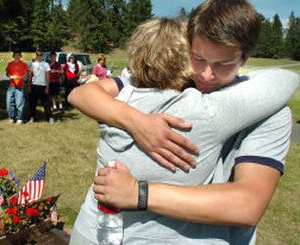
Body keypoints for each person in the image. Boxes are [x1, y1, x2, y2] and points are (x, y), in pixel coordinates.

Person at [68, 1, 299, 244]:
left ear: (245, 58)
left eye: (223, 64)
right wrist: (137, 121)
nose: (206, 74)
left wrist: (139, 192)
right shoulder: (163, 81)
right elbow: (81, 94)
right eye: (198, 58)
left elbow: (247, 204)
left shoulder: (269, 111)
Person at [27, 49, 54, 123]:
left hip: (43, 86)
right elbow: (30, 76)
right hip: (34, 86)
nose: (39, 56)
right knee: (32, 103)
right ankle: (33, 117)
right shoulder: (32, 64)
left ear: (43, 56)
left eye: (40, 55)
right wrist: (29, 86)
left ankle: (50, 117)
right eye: (38, 55)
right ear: (35, 55)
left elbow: (47, 77)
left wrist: (47, 87)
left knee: (46, 103)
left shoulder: (46, 64)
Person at [5, 50, 28, 125]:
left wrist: (21, 77)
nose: (17, 56)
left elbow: (25, 74)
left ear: (20, 56)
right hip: (11, 86)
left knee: (19, 103)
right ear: (13, 56)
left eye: (18, 55)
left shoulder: (24, 64)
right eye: (16, 55)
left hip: (20, 86)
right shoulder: (10, 64)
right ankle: (11, 118)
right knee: (9, 103)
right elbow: (7, 73)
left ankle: (20, 118)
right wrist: (10, 76)